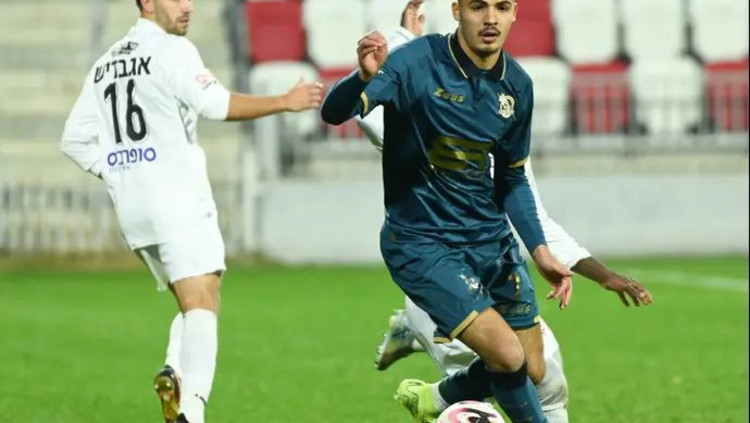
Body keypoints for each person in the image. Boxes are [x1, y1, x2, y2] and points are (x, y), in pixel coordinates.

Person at [357, 3, 653, 422]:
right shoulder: (427, 128)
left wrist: (602, 275)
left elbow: (538, 221)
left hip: (490, 272)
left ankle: (428, 377)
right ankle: (433, 382)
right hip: (441, 277)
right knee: (525, 376)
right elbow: (377, 105)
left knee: (539, 371)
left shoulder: (507, 149)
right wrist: (406, 44)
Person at [60, 1, 322, 422]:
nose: (188, 6)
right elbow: (216, 105)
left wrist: (116, 172)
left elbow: (74, 139)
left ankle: (174, 370)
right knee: (202, 299)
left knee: (194, 296)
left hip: (134, 209)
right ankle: (192, 411)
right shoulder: (172, 50)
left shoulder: (106, 63)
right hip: (176, 199)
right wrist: (284, 101)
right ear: (147, 2)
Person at [322, 0, 580, 420]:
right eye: (479, 7)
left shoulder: (517, 85)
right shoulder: (415, 62)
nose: (491, 18)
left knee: (533, 366)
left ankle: (437, 398)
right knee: (507, 355)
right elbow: (334, 113)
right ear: (457, 10)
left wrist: (540, 250)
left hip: (491, 242)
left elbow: (512, 177)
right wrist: (362, 78)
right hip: (423, 244)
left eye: (502, 7)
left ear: (515, 12)